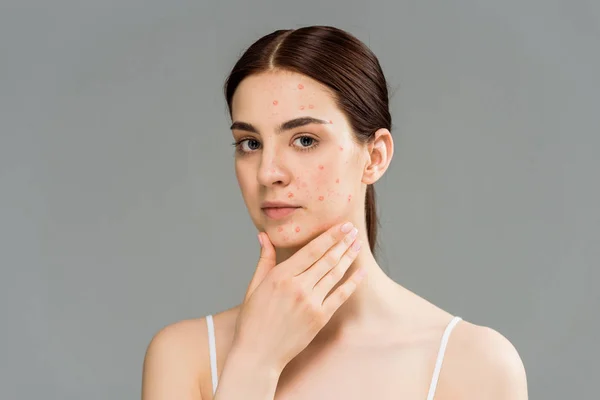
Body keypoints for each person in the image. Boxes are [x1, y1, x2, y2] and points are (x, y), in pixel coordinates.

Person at [141, 25, 528, 399]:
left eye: (305, 140)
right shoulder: (183, 356)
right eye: (249, 143)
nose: (268, 172)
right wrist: (254, 362)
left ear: (375, 156)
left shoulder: (474, 364)